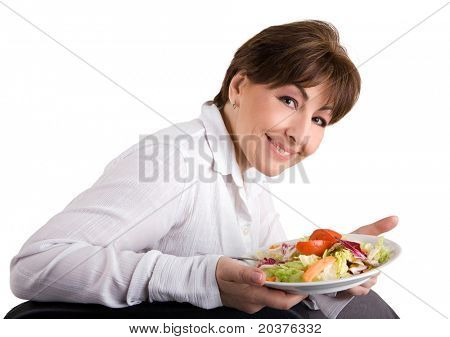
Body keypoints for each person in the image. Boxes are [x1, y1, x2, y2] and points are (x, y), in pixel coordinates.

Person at [9, 20, 399, 318]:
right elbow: (35, 265)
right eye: (289, 100)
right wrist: (201, 278)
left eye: (320, 120)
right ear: (238, 87)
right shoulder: (175, 159)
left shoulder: (248, 176)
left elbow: (275, 291)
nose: (301, 133)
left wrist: (335, 266)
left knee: (369, 310)